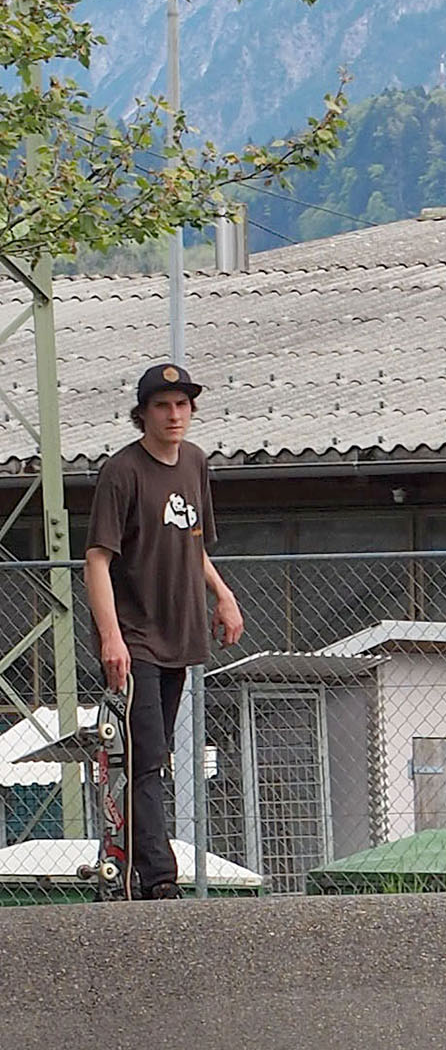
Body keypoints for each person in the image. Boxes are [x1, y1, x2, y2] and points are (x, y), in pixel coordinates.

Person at [83, 362, 246, 898]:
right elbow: (97, 560)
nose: (174, 415)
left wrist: (222, 595)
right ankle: (159, 877)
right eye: (162, 406)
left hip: (181, 633)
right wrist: (111, 638)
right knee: (144, 758)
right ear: (143, 413)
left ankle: (137, 868)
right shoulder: (122, 472)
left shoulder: (194, 462)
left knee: (155, 756)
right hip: (135, 638)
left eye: (182, 405)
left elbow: (193, 543)